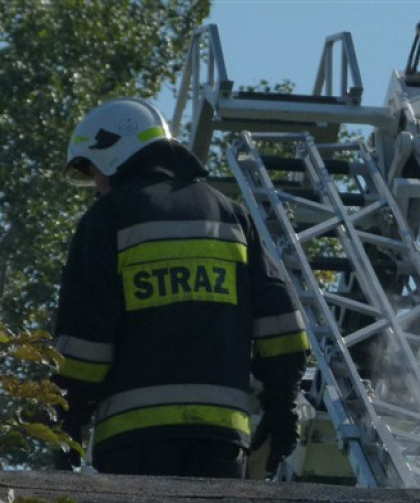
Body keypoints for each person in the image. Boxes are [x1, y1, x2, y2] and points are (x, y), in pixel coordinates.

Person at [52, 97, 308, 478]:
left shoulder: (108, 219)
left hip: (133, 444)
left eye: (95, 174)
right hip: (222, 444)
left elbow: (84, 342)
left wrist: (65, 427)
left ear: (112, 154)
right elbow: (282, 325)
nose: (97, 189)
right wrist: (282, 407)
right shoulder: (231, 215)